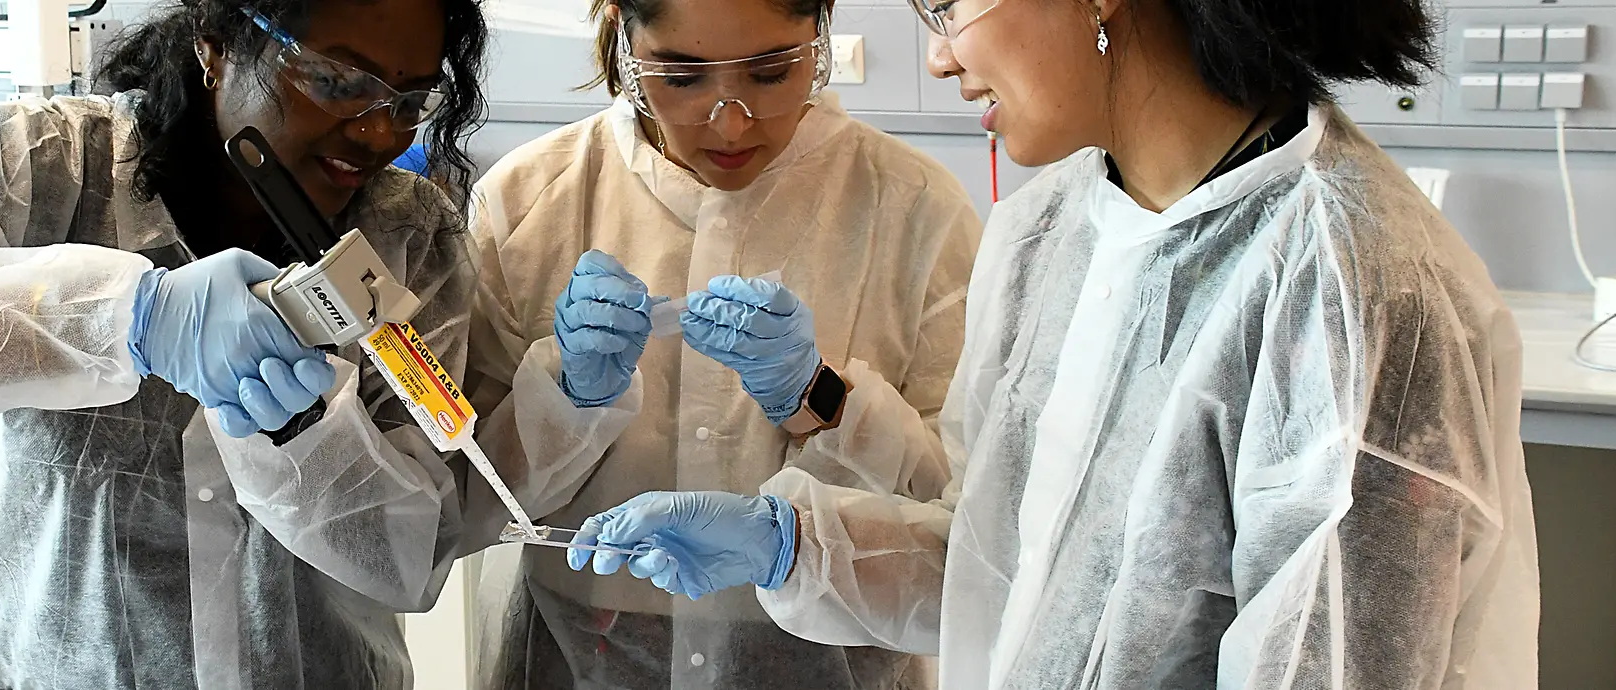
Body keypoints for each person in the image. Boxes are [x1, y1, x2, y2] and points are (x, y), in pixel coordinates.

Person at [568, 0, 1541, 686]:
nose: (939, 57)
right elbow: (1001, 566)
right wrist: (789, 547)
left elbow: (1334, 663)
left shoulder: (1355, 289)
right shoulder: (1047, 232)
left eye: (949, 6)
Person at [0, 0, 490, 686]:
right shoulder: (35, 170)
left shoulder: (408, 238)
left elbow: (410, 558)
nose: (378, 132)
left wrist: (308, 440)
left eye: (409, 101)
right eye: (336, 81)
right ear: (217, 40)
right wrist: (120, 319)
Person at [460, 0, 980, 686]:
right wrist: (564, 402)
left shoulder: (916, 208)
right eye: (681, 78)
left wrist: (823, 400)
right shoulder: (527, 202)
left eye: (771, 73)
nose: (730, 122)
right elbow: (462, 503)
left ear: (820, 33)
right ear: (622, 35)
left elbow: (971, 530)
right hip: (576, 660)